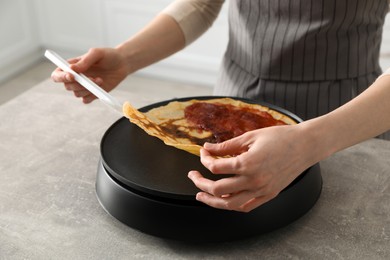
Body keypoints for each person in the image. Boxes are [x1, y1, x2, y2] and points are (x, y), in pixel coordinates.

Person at [51, 0, 390, 212]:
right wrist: (126, 57)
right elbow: (201, 4)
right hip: (227, 106)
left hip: (348, 115)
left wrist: (312, 141)